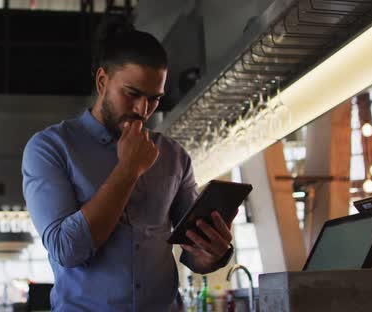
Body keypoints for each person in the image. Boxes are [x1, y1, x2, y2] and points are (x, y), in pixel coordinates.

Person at [21, 17, 234, 311]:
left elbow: (194, 255)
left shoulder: (174, 156)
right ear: (102, 81)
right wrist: (128, 169)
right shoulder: (50, 148)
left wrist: (213, 253)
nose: (142, 110)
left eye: (154, 99)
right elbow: (66, 250)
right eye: (132, 94)